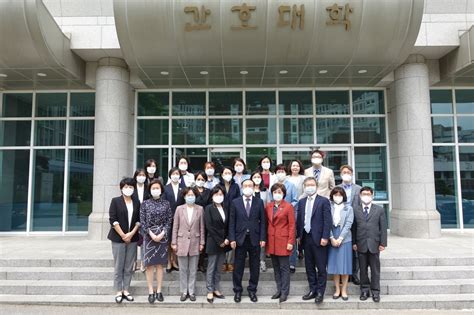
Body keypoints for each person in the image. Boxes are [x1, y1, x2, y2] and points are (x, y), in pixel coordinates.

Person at [229, 179, 267, 303]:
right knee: (238, 266)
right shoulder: (235, 202)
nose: (248, 187)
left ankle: (252, 290)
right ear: (241, 187)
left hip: (255, 239)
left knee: (254, 266)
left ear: (254, 186)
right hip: (240, 239)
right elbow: (232, 222)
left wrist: (262, 238)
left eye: (250, 185)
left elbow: (263, 222)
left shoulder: (259, 202)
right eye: (245, 185)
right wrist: (232, 238)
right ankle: (238, 290)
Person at [296, 177, 332, 304]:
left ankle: (320, 292)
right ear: (304, 187)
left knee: (321, 267)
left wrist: (325, 237)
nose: (309, 187)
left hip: (319, 239)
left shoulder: (323, 201)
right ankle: (313, 290)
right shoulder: (301, 202)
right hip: (306, 238)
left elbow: (328, 221)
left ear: (316, 186)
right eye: (307, 185)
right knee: (309, 266)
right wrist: (298, 236)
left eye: (312, 184)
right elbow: (299, 220)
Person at [108, 177, 141, 303]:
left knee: (129, 266)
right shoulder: (115, 201)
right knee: (118, 265)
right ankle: (118, 290)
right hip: (118, 238)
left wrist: (131, 234)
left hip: (132, 238)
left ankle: (126, 289)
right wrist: (123, 235)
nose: (128, 189)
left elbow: (138, 220)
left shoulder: (136, 202)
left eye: (131, 187)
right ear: (121, 188)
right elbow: (113, 219)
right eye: (126, 187)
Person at [352, 186, 387, 303]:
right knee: (362, 269)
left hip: (375, 244)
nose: (366, 196)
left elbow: (383, 227)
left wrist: (383, 243)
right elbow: (354, 228)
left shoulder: (379, 210)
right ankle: (364, 290)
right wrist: (354, 243)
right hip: (361, 243)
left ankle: (375, 292)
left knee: (375, 270)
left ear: (372, 195)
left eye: (368, 194)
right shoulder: (355, 209)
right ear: (360, 196)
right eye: (364, 194)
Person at [140, 179, 172, 304]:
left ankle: (159, 290)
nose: (155, 190)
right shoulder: (145, 204)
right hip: (149, 236)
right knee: (149, 265)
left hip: (162, 236)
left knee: (159, 265)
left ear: (161, 190)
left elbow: (169, 220)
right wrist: (151, 233)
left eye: (157, 188)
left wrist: (163, 233)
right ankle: (150, 291)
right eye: (153, 188)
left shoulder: (166, 204)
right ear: (150, 190)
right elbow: (142, 221)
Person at [171, 187, 205, 302]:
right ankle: (184, 291)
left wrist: (202, 242)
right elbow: (175, 226)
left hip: (195, 242)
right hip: (181, 242)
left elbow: (202, 228)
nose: (190, 197)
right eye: (188, 195)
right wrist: (174, 242)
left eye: (192, 195)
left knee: (193, 269)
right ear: (184, 196)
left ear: (195, 196)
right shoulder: (179, 209)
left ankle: (191, 291)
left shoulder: (200, 209)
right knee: (183, 269)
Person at [265, 183, 295, 303]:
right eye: (275, 192)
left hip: (284, 240)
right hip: (272, 240)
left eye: (279, 192)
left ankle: (284, 292)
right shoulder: (268, 206)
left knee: (284, 268)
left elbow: (292, 225)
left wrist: (290, 241)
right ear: (272, 194)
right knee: (276, 268)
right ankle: (278, 290)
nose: (277, 194)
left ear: (283, 194)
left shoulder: (288, 207)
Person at [204, 186, 231, 303]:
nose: (219, 197)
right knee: (211, 267)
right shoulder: (209, 208)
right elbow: (209, 226)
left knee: (219, 267)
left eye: (221, 194)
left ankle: (216, 288)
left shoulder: (226, 208)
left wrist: (227, 239)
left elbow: (229, 225)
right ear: (212, 196)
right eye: (216, 194)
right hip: (213, 242)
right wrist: (219, 241)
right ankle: (209, 290)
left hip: (224, 243)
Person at [327, 187, 354, 301]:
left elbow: (348, 224)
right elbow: (326, 222)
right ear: (332, 196)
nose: (337, 197)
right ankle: (337, 289)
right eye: (335, 194)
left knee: (345, 266)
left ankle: (344, 290)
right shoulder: (328, 206)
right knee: (335, 265)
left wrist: (340, 238)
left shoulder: (349, 208)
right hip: (332, 236)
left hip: (345, 238)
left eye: (340, 195)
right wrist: (332, 238)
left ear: (343, 196)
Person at [337, 164, 362, 285]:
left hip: (356, 222)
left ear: (352, 174)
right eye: (344, 172)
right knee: (343, 248)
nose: (346, 174)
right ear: (341, 174)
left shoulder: (358, 188)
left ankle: (354, 273)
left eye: (348, 172)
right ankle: (342, 272)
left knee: (355, 248)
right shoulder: (337, 188)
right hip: (341, 222)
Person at [273, 164, 298, 273]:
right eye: (278, 171)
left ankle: (292, 263)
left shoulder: (291, 185)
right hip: (277, 217)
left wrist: (286, 208)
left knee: (290, 238)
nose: (281, 173)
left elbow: (295, 200)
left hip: (289, 214)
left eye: (282, 171)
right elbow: (271, 201)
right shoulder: (273, 186)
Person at [219, 166, 241, 273]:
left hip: (233, 213)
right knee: (223, 237)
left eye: (229, 173)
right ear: (222, 175)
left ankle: (231, 262)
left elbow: (238, 200)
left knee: (232, 236)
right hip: (222, 214)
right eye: (225, 173)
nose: (227, 175)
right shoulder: (218, 186)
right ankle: (223, 262)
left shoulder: (235, 186)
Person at [163, 167, 185, 273]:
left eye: (177, 174)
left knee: (177, 240)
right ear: (170, 175)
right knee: (168, 241)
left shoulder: (183, 187)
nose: (175, 175)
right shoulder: (165, 188)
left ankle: (175, 261)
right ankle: (168, 261)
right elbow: (164, 203)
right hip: (168, 218)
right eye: (173, 174)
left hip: (181, 218)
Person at [132, 168, 149, 273]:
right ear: (135, 176)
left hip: (145, 218)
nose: (141, 177)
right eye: (139, 175)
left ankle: (143, 262)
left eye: (143, 175)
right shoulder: (131, 188)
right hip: (133, 217)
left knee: (143, 241)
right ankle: (133, 262)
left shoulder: (148, 187)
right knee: (133, 241)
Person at [194, 171, 211, 273]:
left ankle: (201, 264)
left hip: (205, 220)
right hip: (193, 220)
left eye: (202, 180)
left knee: (202, 242)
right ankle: (194, 264)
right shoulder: (191, 191)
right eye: (198, 179)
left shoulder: (208, 192)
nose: (200, 181)